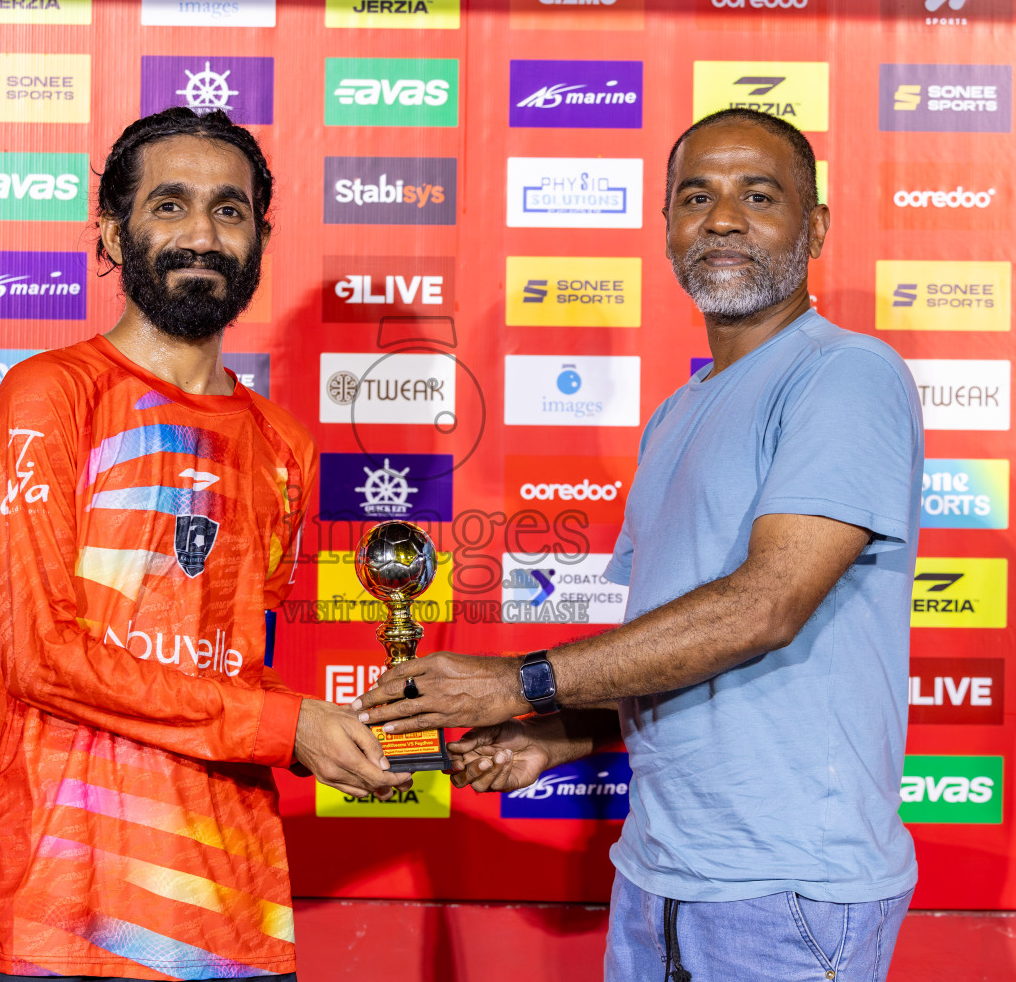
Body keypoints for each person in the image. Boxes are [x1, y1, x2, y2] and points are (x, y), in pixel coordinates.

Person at [354, 108, 924, 980]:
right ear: (665, 231)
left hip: (787, 891)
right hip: (655, 875)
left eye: (757, 195)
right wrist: (557, 736)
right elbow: (669, 643)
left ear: (816, 229)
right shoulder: (675, 414)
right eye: (695, 196)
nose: (722, 218)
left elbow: (765, 605)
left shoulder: (846, 372)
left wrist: (522, 680)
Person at [0, 107, 409, 982]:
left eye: (229, 211)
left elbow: (231, 667)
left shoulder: (284, 444)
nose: (201, 233)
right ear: (111, 231)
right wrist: (287, 725)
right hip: (59, 921)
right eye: (169, 205)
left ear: (259, 239)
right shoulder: (49, 394)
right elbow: (42, 658)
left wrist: (350, 735)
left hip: (230, 923)